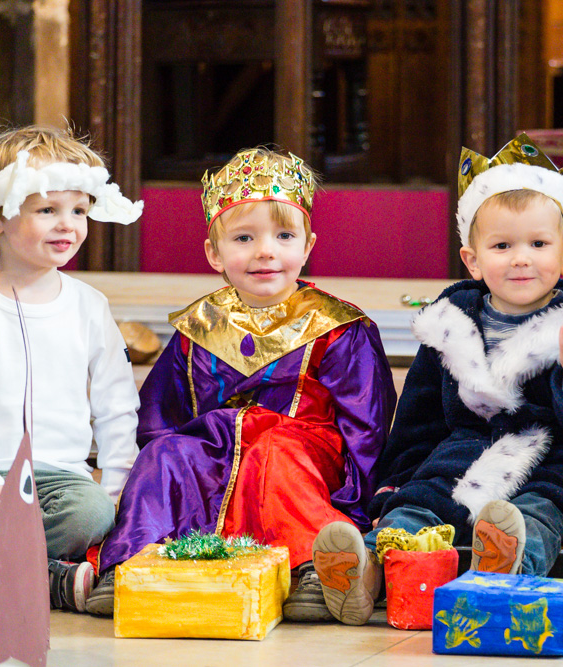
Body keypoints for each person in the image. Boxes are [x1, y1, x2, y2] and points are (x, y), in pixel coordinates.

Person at [311, 134, 563, 626]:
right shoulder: (449, 324)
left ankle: (505, 561)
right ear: (473, 259)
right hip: (463, 452)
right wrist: (395, 481)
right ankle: (365, 571)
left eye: (539, 244)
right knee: (413, 509)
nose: (521, 258)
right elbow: (418, 417)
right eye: (502, 246)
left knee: (539, 512)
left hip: (555, 461)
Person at [89, 147, 395, 620]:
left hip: (301, 459)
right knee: (166, 454)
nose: (265, 251)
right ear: (214, 253)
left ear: (308, 246)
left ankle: (313, 566)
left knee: (275, 453)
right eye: (244, 237)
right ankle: (131, 566)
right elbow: (158, 416)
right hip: (210, 455)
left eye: (284, 235)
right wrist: (169, 455)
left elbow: (366, 426)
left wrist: (359, 503)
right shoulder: (199, 328)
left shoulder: (339, 328)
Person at [0, 126, 143, 613]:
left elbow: (116, 403)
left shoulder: (89, 306)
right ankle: (45, 579)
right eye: (47, 210)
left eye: (78, 210)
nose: (67, 225)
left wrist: (114, 485)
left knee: (89, 515)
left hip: (58, 479)